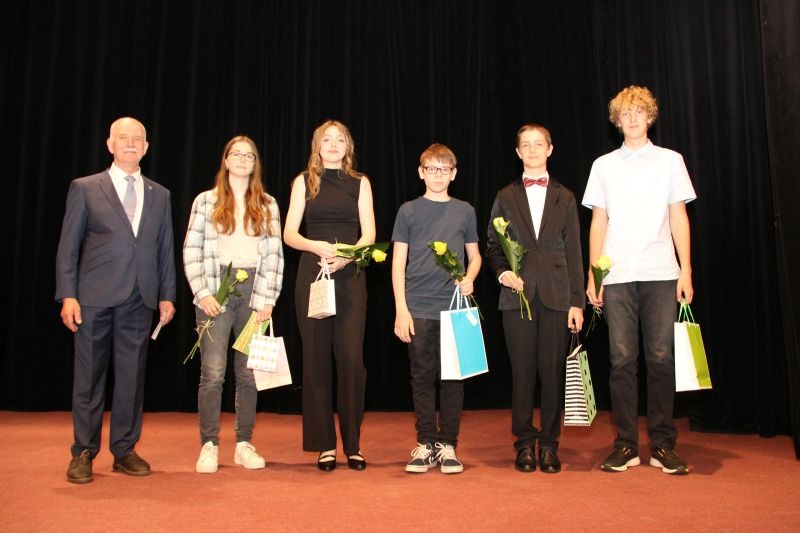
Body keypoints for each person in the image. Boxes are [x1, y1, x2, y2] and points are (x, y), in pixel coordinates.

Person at [55, 117, 177, 484]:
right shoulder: (85, 188)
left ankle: (124, 449)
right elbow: (68, 247)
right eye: (123, 138)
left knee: (131, 378)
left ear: (146, 147)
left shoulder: (160, 194)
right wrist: (68, 294)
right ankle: (83, 451)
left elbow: (164, 249)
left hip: (140, 297)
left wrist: (167, 295)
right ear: (110, 144)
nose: (130, 143)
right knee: (89, 377)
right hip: (93, 298)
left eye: (137, 139)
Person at [582, 85, 696, 475]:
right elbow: (598, 221)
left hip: (661, 272)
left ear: (650, 116)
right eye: (625, 114)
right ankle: (626, 444)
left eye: (638, 112)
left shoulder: (671, 161)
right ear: (617, 121)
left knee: (661, 359)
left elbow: (679, 217)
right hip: (616, 276)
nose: (632, 119)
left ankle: (663, 444)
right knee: (621, 361)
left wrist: (686, 269)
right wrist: (594, 273)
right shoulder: (603, 165)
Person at [486, 124, 584, 474]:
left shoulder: (566, 196)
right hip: (518, 297)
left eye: (538, 144)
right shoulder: (505, 195)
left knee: (552, 373)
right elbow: (493, 245)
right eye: (525, 145)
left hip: (557, 296)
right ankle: (525, 443)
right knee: (523, 373)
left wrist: (577, 301)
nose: (532, 150)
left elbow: (574, 251)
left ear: (550, 149)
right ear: (517, 152)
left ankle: (550, 444)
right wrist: (503, 273)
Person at [183, 135, 284, 473]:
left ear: (255, 164)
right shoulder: (205, 200)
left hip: (254, 289)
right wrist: (203, 293)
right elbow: (191, 249)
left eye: (249, 155)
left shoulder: (267, 204)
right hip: (216, 288)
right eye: (236, 154)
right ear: (225, 160)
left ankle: (244, 444)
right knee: (213, 372)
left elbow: (275, 254)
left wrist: (267, 299)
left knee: (248, 373)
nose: (242, 159)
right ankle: (209, 445)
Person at [283, 120, 375, 471]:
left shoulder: (360, 182)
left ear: (348, 146)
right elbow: (290, 234)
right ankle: (324, 445)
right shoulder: (303, 181)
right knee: (316, 360)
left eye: (340, 139)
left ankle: (353, 444)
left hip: (350, 275)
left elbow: (369, 234)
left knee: (351, 360)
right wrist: (316, 246)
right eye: (326, 139)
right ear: (317, 146)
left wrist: (347, 256)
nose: (333, 144)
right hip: (313, 274)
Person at [392, 143, 482, 474]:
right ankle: (426, 443)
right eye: (432, 169)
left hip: (454, 309)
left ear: (454, 174)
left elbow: (475, 257)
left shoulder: (465, 211)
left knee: (453, 378)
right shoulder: (408, 211)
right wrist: (401, 308)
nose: (438, 175)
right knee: (421, 376)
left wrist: (470, 278)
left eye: (444, 170)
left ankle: (448, 445)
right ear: (421, 172)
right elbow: (398, 263)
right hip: (418, 307)